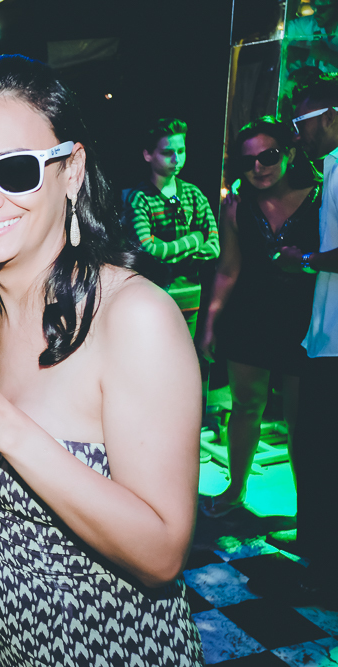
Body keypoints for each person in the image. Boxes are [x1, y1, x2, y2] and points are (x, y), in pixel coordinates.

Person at [0, 55, 203, 665]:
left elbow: (162, 554)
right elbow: (8, 488)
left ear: (72, 171)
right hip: (8, 642)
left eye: (14, 169)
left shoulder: (133, 318)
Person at [197, 118, 320, 518]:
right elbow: (228, 269)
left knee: (300, 419)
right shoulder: (237, 206)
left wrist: (306, 262)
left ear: (289, 153)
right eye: (247, 161)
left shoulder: (320, 198)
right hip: (249, 316)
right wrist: (209, 325)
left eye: (268, 156)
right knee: (246, 405)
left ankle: (307, 511)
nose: (258, 168)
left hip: (304, 320)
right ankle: (235, 491)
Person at [275, 77, 338, 603]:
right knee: (316, 451)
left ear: (332, 116)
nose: (298, 135)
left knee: (322, 455)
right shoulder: (330, 168)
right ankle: (316, 551)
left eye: (303, 123)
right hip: (326, 337)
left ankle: (323, 573)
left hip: (336, 345)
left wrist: (307, 259)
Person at [124, 117, 219, 336]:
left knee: (186, 354)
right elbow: (149, 250)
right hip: (152, 298)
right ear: (148, 155)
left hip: (190, 298)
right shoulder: (140, 198)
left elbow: (214, 247)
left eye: (181, 151)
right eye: (168, 152)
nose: (177, 159)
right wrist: (195, 238)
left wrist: (167, 249)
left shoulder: (194, 194)